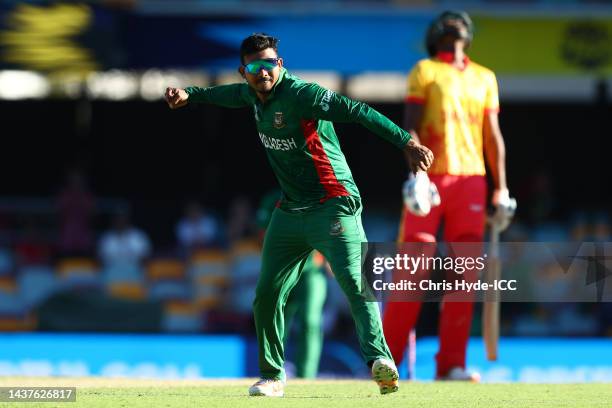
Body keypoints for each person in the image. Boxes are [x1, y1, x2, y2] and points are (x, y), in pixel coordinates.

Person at [165, 33, 433, 397]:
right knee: (266, 295)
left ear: (281, 65)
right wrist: (190, 95)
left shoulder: (302, 94)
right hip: (291, 211)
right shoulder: (249, 94)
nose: (265, 73)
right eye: (256, 68)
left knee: (354, 283)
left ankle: (378, 361)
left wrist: (407, 142)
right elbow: (224, 95)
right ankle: (273, 376)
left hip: (334, 203)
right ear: (244, 72)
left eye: (271, 65)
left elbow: (358, 111)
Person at [382, 11, 513, 381]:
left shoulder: (484, 77)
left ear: (468, 35)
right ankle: (385, 361)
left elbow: (493, 136)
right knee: (414, 264)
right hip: (431, 178)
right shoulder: (424, 70)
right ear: (435, 35)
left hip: (472, 181)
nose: (454, 26)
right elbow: (410, 126)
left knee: (465, 274)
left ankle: (451, 364)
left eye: (460, 24)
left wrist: (501, 188)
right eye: (446, 25)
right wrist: (418, 174)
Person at [257, 190, 327, 379]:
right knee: (278, 320)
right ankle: (274, 373)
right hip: (284, 269)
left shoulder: (320, 195)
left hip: (312, 272)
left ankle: (307, 376)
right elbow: (263, 234)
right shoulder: (272, 199)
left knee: (311, 321)